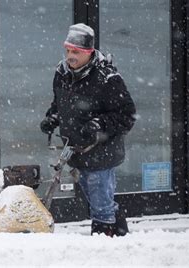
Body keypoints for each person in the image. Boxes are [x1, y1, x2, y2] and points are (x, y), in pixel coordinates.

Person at [40, 23, 136, 237]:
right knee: (99, 200)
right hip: (77, 151)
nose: (70, 56)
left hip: (102, 153)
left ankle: (104, 243)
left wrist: (99, 125)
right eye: (68, 50)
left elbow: (127, 115)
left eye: (76, 52)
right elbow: (60, 103)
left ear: (89, 52)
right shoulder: (62, 73)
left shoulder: (106, 78)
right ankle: (122, 238)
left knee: (101, 207)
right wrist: (53, 117)